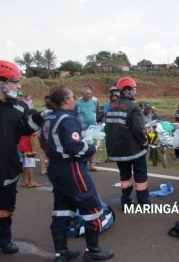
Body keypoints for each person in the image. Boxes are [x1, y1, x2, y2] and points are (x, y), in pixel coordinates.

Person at [0, 60, 47, 260]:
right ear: (1, 82)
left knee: (5, 211)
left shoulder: (18, 107)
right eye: (15, 82)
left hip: (8, 171)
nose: (19, 86)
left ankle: (3, 240)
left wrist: (41, 116)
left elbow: (25, 129)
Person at [40, 85, 114, 262]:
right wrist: (93, 147)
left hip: (55, 167)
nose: (74, 99)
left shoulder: (47, 117)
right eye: (72, 97)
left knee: (62, 208)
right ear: (65, 100)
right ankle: (92, 250)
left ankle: (61, 252)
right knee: (92, 205)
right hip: (71, 167)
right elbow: (74, 147)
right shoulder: (68, 118)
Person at [104, 77, 150, 209]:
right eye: (134, 90)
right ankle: (143, 203)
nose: (136, 93)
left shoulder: (111, 107)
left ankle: (126, 201)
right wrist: (145, 142)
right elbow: (138, 130)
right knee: (140, 176)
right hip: (133, 149)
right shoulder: (133, 107)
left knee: (125, 177)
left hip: (117, 150)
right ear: (128, 90)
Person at [74, 86, 100, 172]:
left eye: (90, 94)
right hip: (82, 129)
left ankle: (91, 165)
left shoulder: (94, 102)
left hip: (92, 128)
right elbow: (74, 114)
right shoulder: (77, 103)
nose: (89, 95)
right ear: (82, 94)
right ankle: (82, 164)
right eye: (87, 94)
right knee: (83, 146)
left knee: (93, 145)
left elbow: (97, 111)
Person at [17, 108, 42, 188]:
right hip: (28, 148)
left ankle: (24, 181)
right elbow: (32, 138)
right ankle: (31, 181)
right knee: (30, 165)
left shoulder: (23, 123)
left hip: (21, 146)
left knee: (24, 165)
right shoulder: (32, 126)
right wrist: (34, 149)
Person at [38, 95, 50, 175]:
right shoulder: (43, 111)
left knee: (50, 151)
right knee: (43, 151)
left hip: (49, 134)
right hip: (43, 134)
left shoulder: (53, 110)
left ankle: (48, 165)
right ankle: (43, 169)